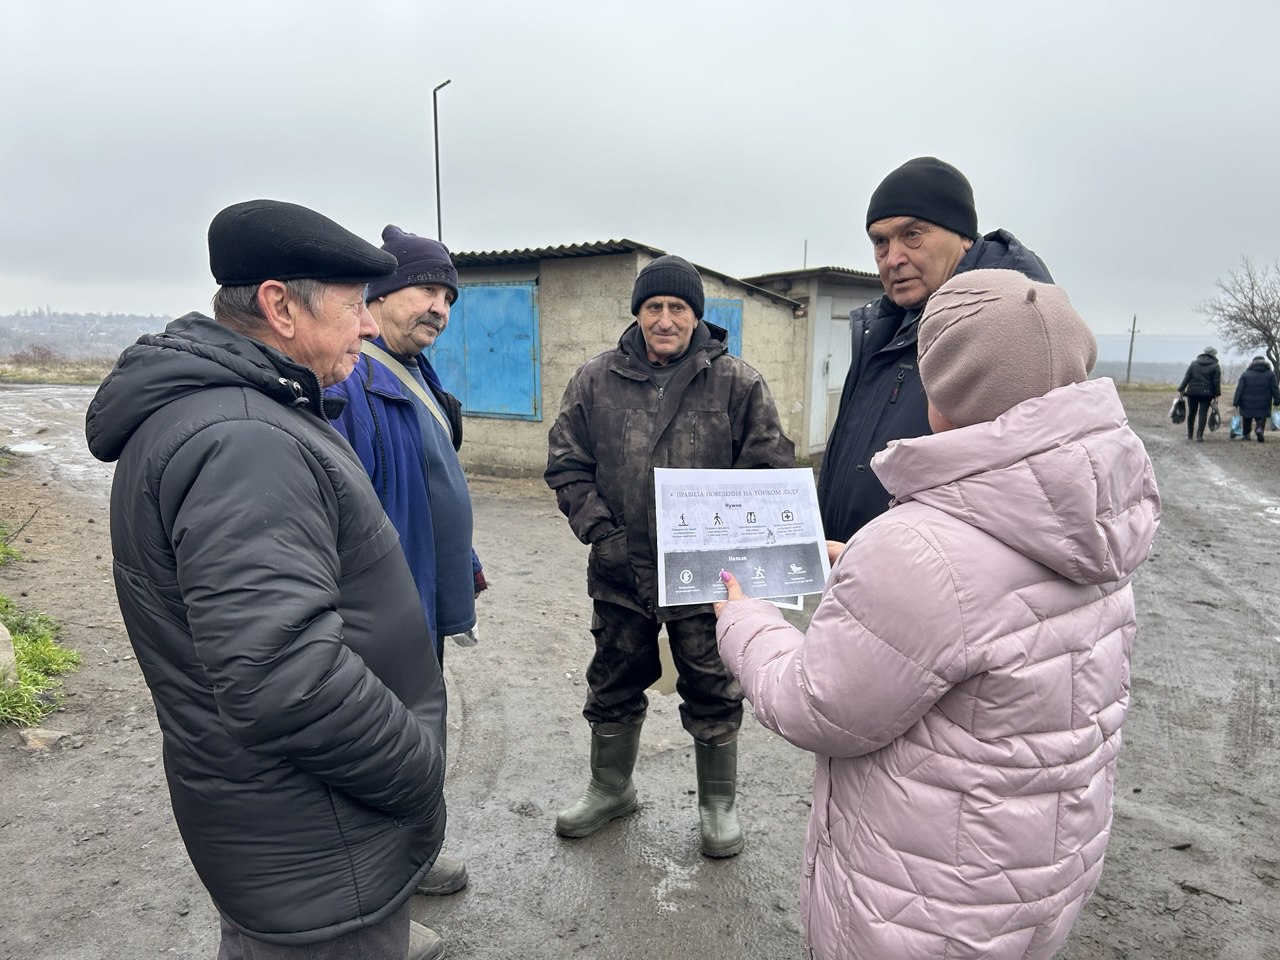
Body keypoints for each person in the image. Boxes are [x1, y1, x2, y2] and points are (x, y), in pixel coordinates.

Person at [714, 269, 1161, 960]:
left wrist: (744, 616)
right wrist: (872, 561)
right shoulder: (1094, 516)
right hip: (1031, 878)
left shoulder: (920, 551)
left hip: (921, 904)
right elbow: (993, 604)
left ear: (943, 387)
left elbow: (816, 706)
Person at [85, 199, 448, 960]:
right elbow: (283, 677)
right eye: (354, 307)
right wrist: (419, 770)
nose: (370, 326)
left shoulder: (229, 412)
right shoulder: (244, 438)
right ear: (281, 305)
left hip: (289, 827)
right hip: (319, 833)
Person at [545, 255, 794, 857]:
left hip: (706, 577)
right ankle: (610, 789)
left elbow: (768, 471)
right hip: (620, 568)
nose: (664, 318)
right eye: (653, 306)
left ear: (696, 316)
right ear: (637, 313)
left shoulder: (738, 383)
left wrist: (736, 552)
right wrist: (603, 534)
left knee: (713, 683)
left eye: (677, 307)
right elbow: (567, 464)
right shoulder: (594, 380)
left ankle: (717, 805)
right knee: (612, 678)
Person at [326, 226, 485, 903]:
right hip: (384, 611)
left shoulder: (418, 370)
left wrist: (462, 555)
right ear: (380, 295)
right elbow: (344, 507)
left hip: (426, 591)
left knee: (419, 729)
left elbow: (433, 475)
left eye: (448, 298)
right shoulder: (353, 382)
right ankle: (385, 874)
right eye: (426, 290)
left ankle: (412, 853)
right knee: (385, 740)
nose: (439, 310)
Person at [817, 156, 1053, 543]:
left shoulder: (1007, 328)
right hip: (862, 572)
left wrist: (894, 561)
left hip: (932, 585)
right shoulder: (887, 327)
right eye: (880, 242)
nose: (893, 259)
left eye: (913, 234)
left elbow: (1028, 501)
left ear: (963, 236)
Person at [1177, 346, 1222, 441]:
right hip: (1207, 394)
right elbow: (1216, 382)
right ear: (1214, 355)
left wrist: (1181, 390)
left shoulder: (1194, 364)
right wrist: (1216, 395)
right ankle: (1199, 435)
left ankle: (1190, 434)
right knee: (1203, 413)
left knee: (1192, 413)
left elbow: (1187, 377)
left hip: (1192, 392)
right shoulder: (1215, 366)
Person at [1232, 354, 1280, 442]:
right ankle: (1259, 430)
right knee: (1261, 417)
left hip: (1246, 402)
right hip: (1264, 402)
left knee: (1246, 417)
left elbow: (1239, 389)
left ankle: (1246, 435)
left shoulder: (1246, 374)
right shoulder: (1270, 374)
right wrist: (1277, 400)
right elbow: (1275, 389)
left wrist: (1236, 402)